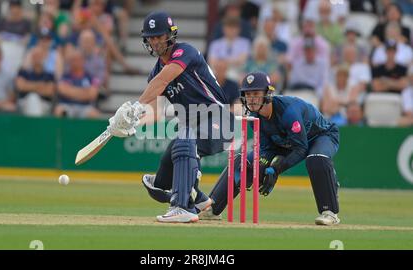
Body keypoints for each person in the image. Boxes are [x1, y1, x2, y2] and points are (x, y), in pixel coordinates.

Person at [107, 11, 233, 223]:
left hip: (219, 120)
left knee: (184, 139)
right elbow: (155, 113)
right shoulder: (154, 73)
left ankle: (182, 207)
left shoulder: (185, 52)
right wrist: (131, 123)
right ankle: (198, 198)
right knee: (159, 182)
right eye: (151, 37)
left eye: (159, 36)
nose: (155, 42)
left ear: (170, 35)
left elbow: (164, 80)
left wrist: (136, 105)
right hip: (193, 128)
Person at [202, 71, 341, 226]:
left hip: (320, 136)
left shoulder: (289, 112)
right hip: (283, 141)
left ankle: (330, 212)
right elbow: (266, 149)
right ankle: (212, 209)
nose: (251, 99)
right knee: (243, 162)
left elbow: (301, 148)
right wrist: (261, 166)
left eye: (256, 93)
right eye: (247, 94)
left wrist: (276, 169)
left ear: (268, 94)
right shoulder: (255, 116)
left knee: (316, 159)